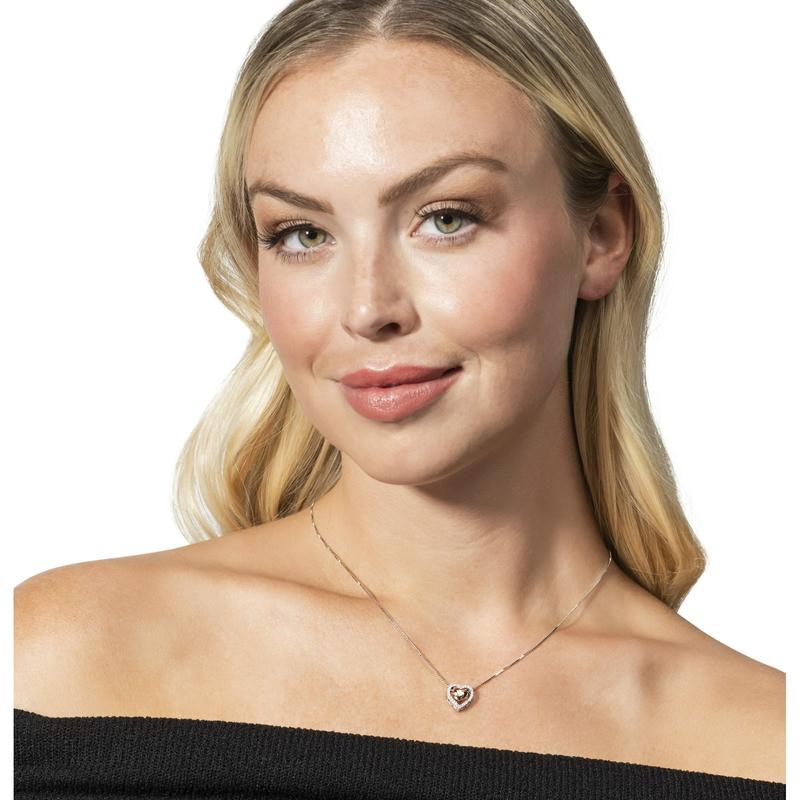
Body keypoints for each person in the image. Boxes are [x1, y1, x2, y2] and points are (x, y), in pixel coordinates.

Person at [14, 0, 786, 796]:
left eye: (445, 219)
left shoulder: (763, 745)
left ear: (602, 235)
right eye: (303, 234)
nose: (367, 308)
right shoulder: (61, 656)